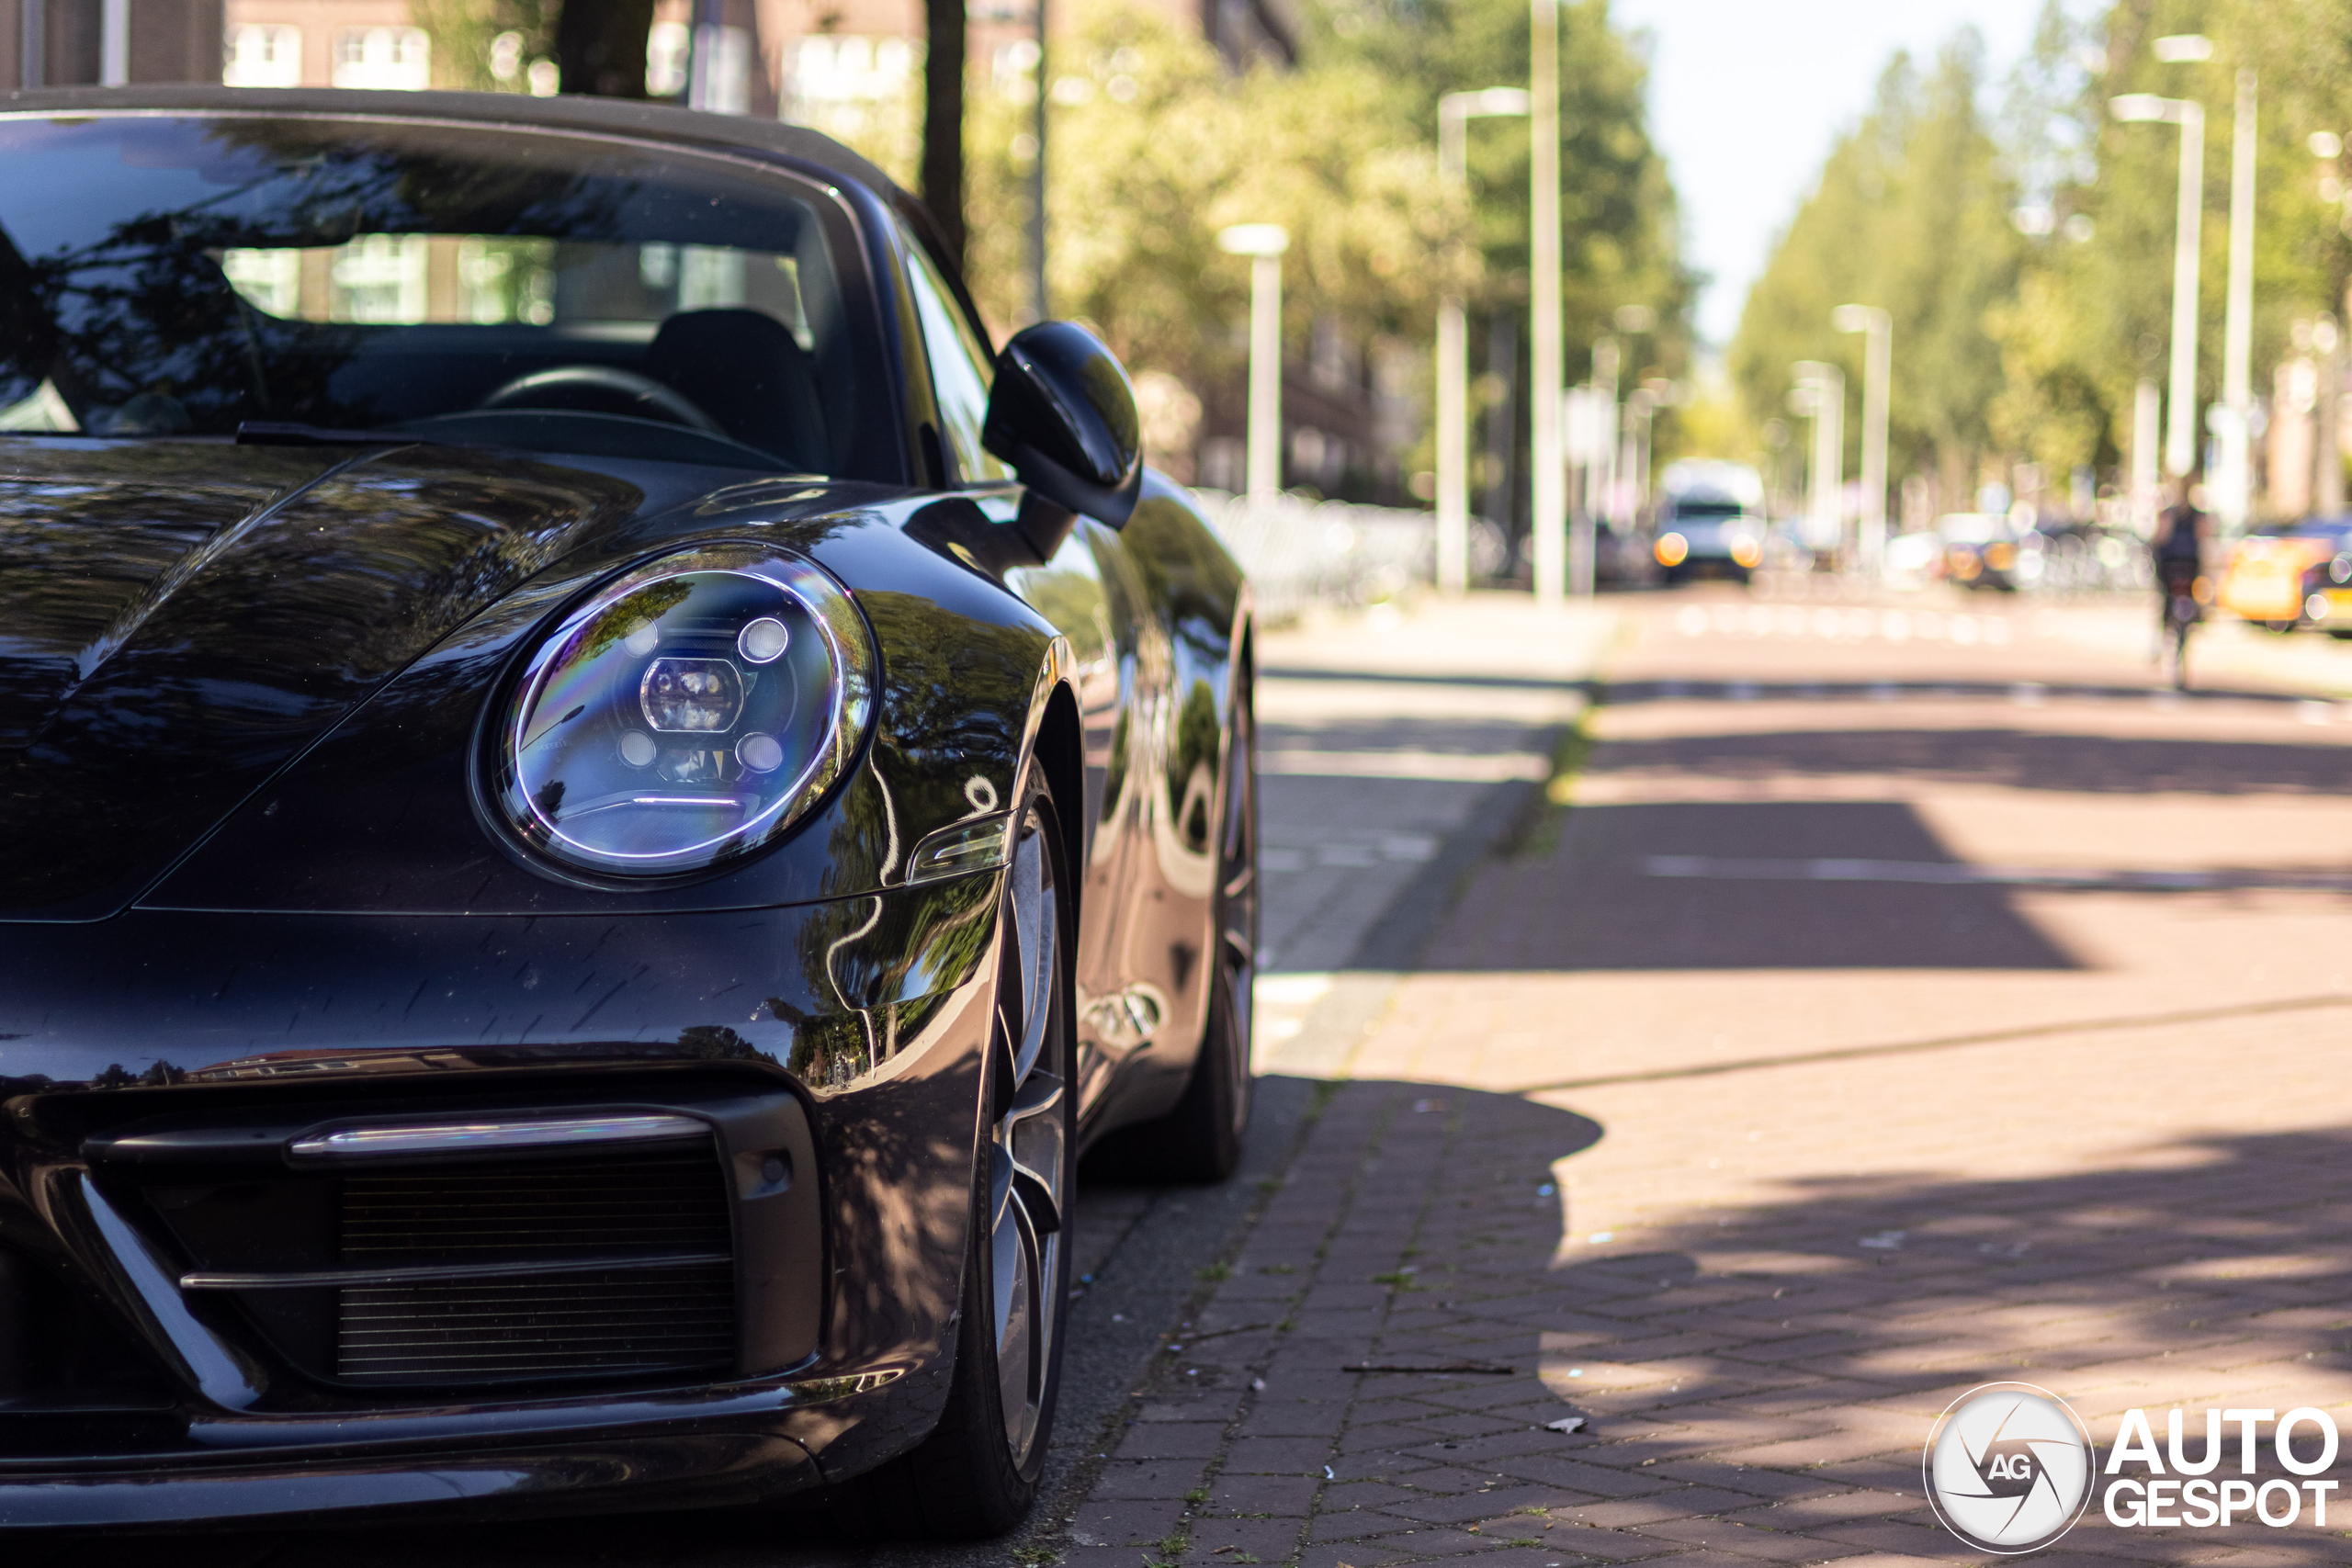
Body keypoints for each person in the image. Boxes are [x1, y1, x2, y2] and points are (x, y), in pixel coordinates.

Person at [2151, 481, 2208, 642]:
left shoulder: (2168, 514)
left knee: (2165, 597)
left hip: (2171, 562)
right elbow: (2204, 535)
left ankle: (2162, 634)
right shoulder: (2197, 514)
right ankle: (2193, 618)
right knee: (2190, 594)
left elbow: (2161, 536)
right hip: (2190, 562)